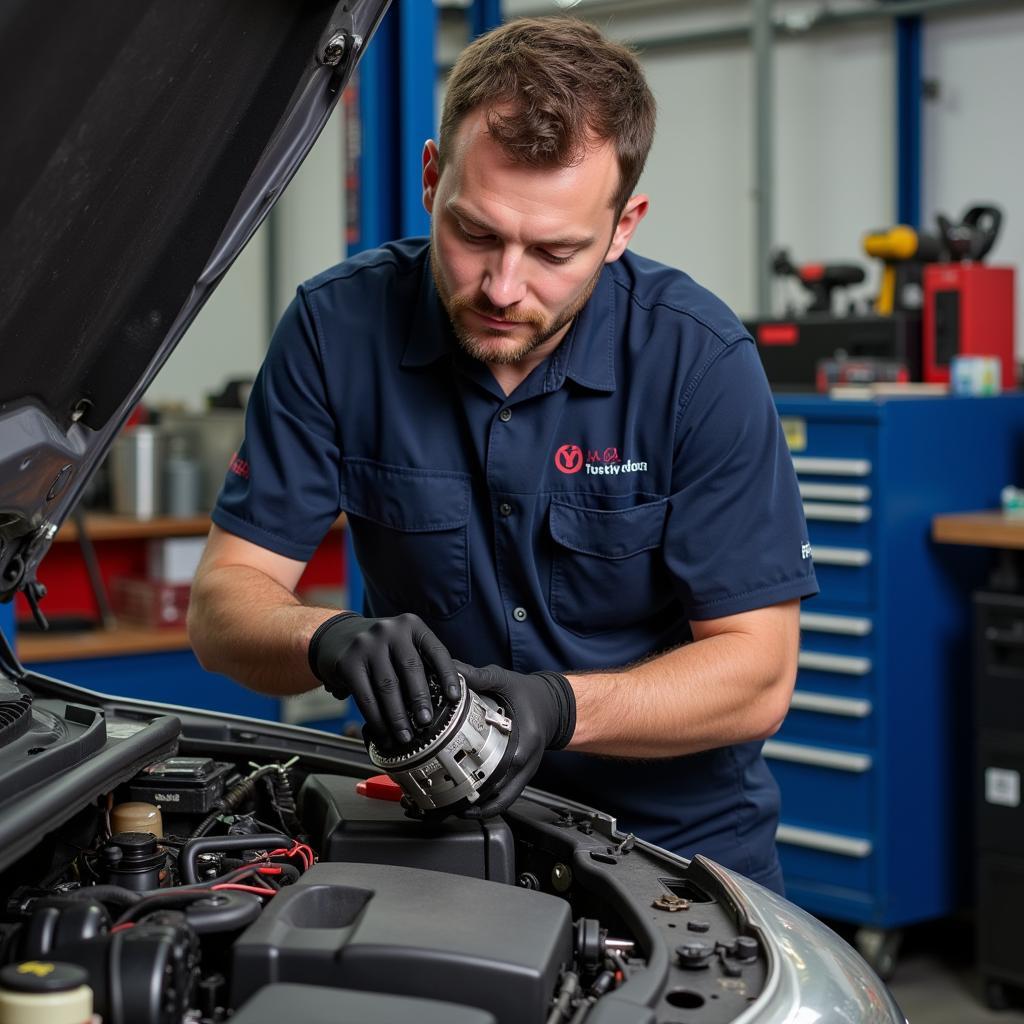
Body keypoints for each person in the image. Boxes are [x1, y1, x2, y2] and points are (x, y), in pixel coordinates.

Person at [188, 16, 817, 894]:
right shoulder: (337, 330)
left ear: (623, 225)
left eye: (556, 251)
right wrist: (327, 639)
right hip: (420, 823)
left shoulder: (697, 361)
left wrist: (561, 707)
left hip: (671, 853)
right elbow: (222, 606)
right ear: (431, 176)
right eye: (476, 234)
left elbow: (757, 672)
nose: (504, 287)